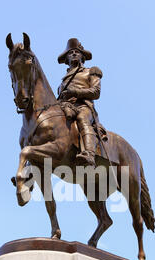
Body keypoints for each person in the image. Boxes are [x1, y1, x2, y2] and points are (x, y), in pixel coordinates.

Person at [57, 38, 104, 167]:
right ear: (66, 59)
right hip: (66, 107)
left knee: (82, 118)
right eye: (70, 52)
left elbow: (96, 92)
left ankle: (89, 154)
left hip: (84, 106)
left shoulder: (91, 71)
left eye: (76, 52)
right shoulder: (62, 82)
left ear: (82, 56)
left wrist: (75, 92)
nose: (73, 54)